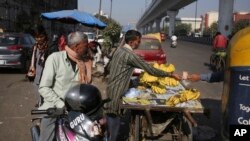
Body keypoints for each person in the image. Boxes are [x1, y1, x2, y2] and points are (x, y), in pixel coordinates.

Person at [104, 30, 180, 141]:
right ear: (131, 42)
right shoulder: (130, 55)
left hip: (111, 88)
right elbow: (150, 69)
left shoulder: (119, 50)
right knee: (114, 122)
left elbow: (110, 68)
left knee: (110, 120)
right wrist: (170, 74)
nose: (139, 44)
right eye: (138, 41)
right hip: (117, 92)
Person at [38, 31, 92, 141]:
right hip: (54, 108)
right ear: (77, 46)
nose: (87, 49)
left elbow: (86, 87)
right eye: (85, 46)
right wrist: (60, 104)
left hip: (76, 110)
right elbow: (44, 87)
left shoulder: (83, 63)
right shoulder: (55, 58)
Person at [28, 25, 58, 107]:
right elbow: (32, 59)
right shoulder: (35, 47)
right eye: (36, 37)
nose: (39, 39)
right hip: (37, 74)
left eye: (41, 37)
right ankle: (40, 104)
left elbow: (54, 60)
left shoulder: (51, 46)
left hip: (46, 74)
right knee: (37, 91)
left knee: (46, 93)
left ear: (45, 35)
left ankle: (45, 107)